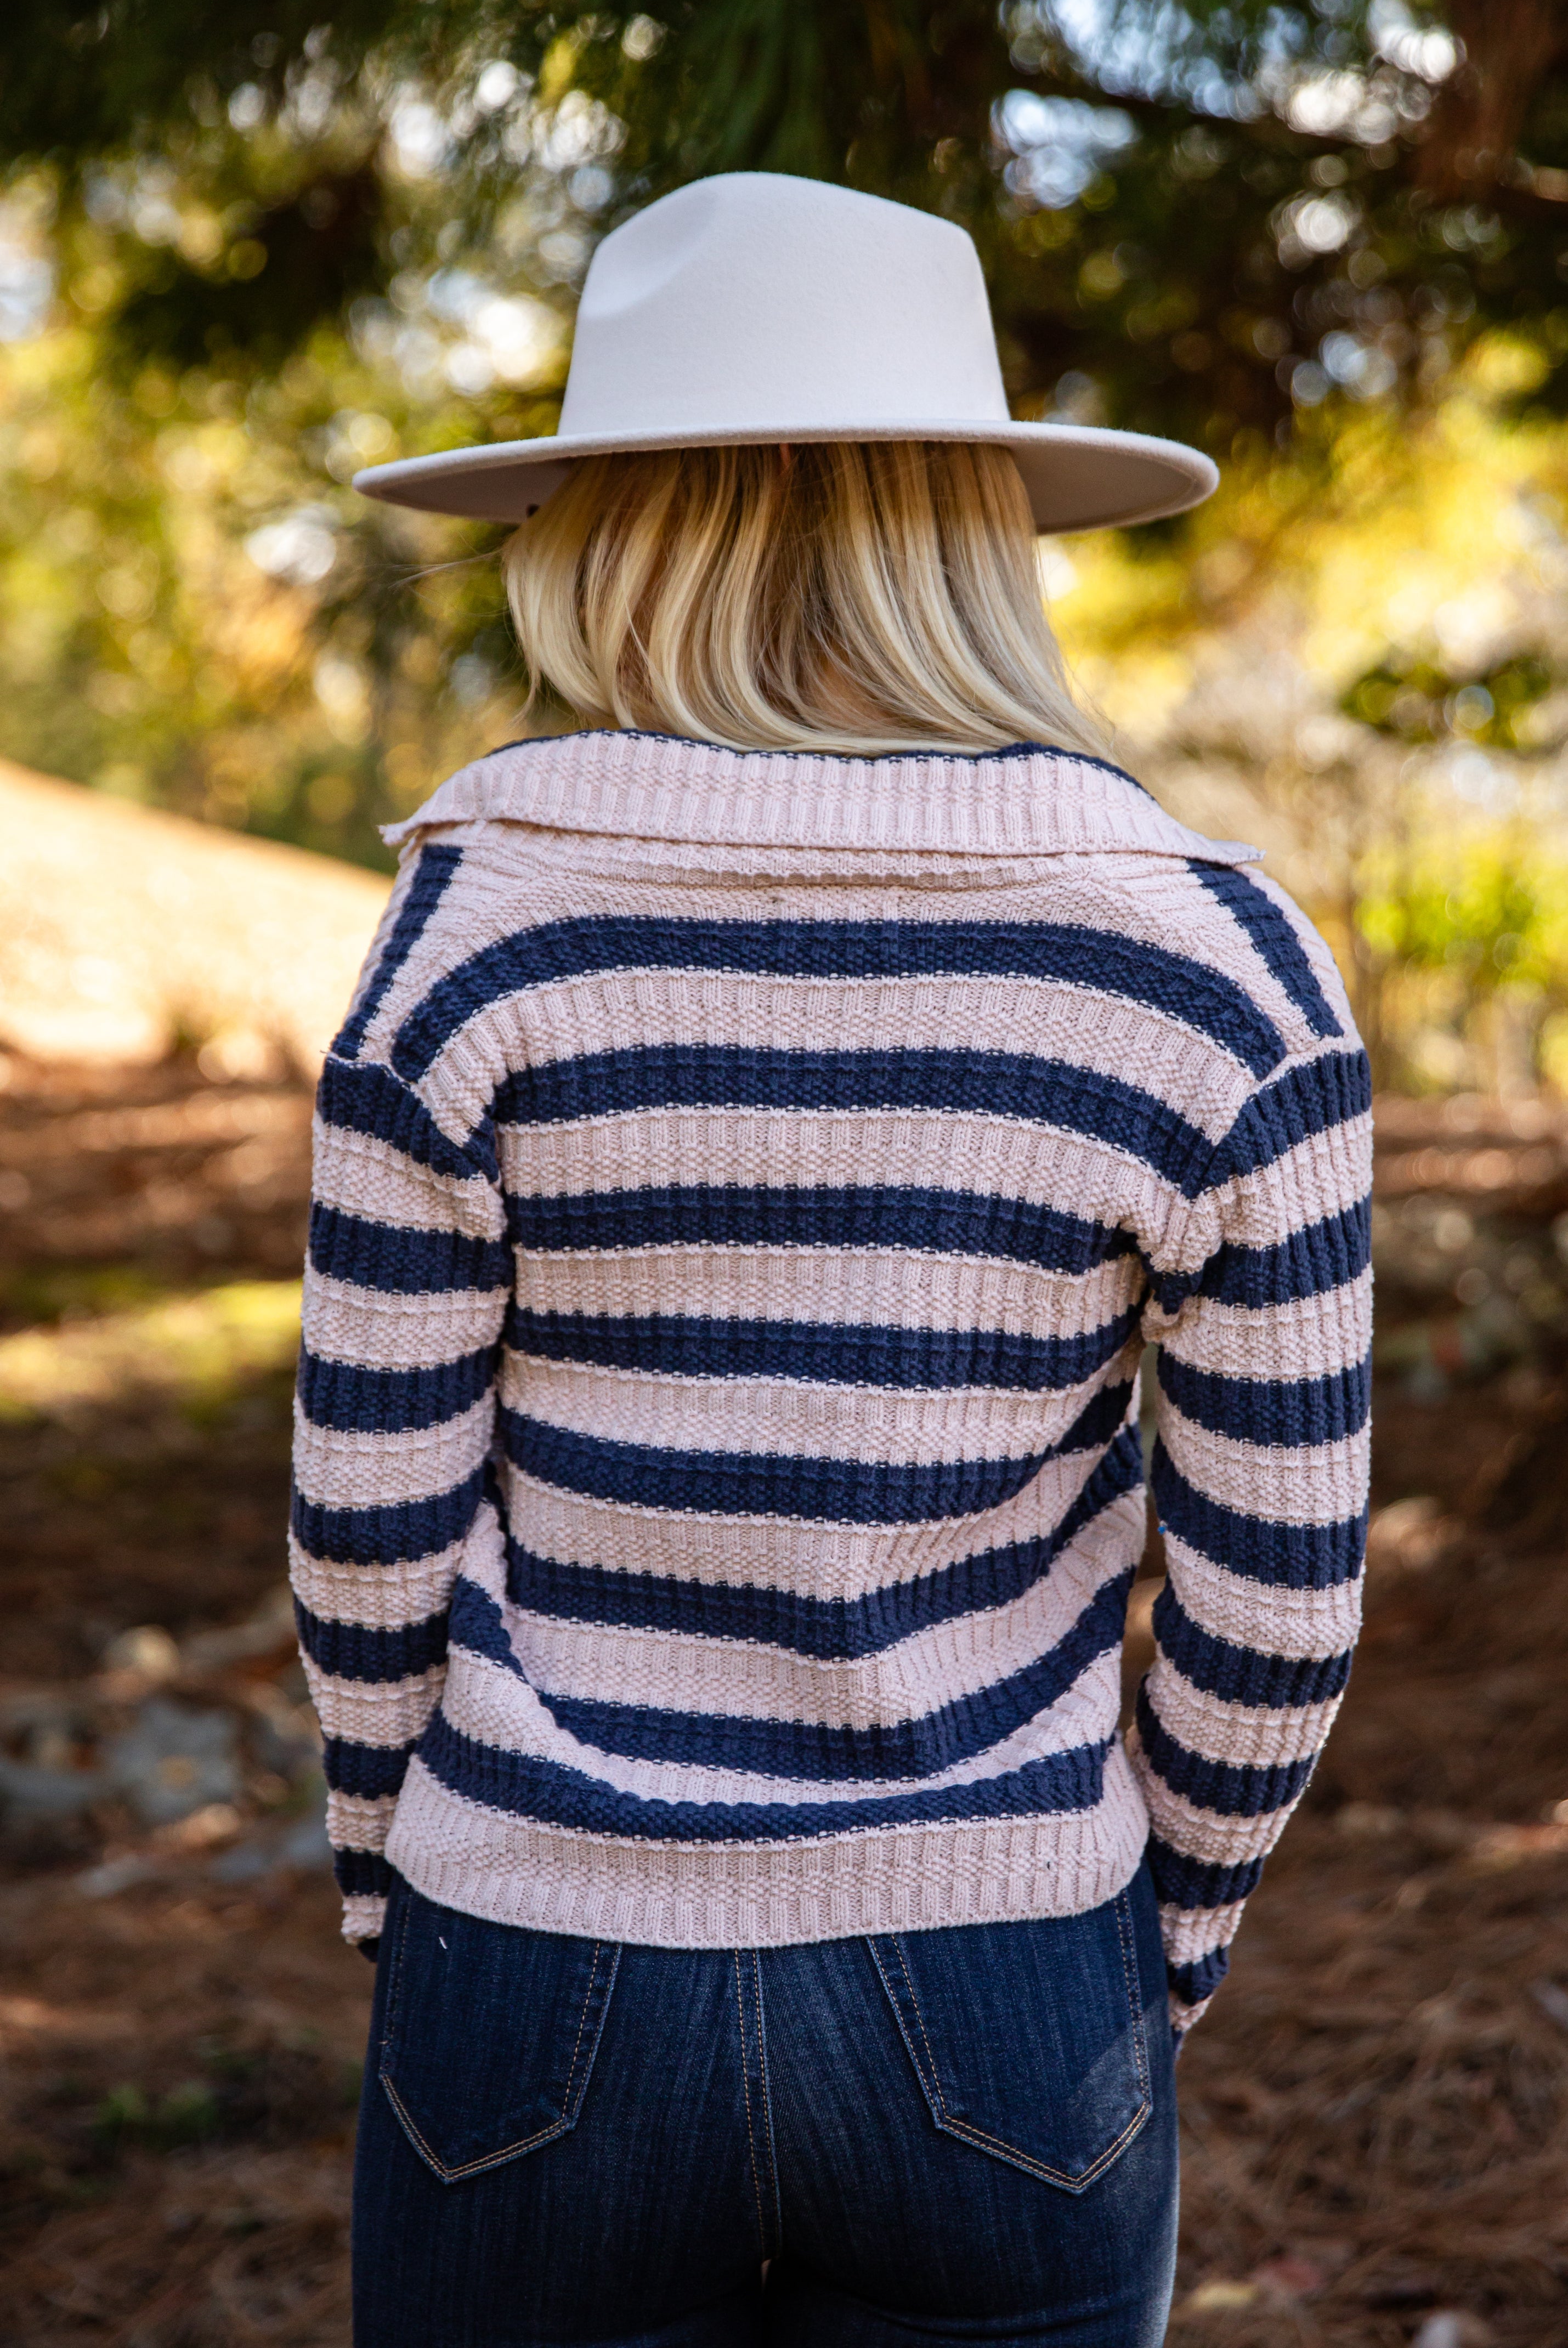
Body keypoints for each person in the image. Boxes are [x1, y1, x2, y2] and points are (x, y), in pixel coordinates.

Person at [291, 172, 1371, 2348]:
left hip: (541, 1941)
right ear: (979, 529)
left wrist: (398, 1877)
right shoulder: (1215, 966)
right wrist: (1143, 1936)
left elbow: (369, 1537)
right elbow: (1282, 1595)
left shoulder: (472, 934)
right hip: (1010, 1963)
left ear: (599, 530)